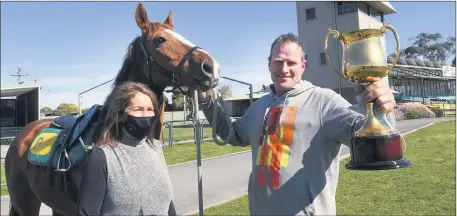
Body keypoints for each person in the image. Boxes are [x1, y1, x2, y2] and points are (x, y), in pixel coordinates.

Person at [197, 33, 396, 215]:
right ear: (269, 64)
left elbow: (366, 133)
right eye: (278, 62)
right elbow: (231, 133)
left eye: (291, 62)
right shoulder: (259, 107)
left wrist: (380, 110)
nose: (284, 69)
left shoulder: (324, 101)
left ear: (303, 65)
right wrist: (206, 101)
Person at [77, 81, 176, 216]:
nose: (146, 115)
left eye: (150, 109)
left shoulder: (156, 148)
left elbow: (167, 202)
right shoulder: (101, 157)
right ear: (121, 115)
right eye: (138, 109)